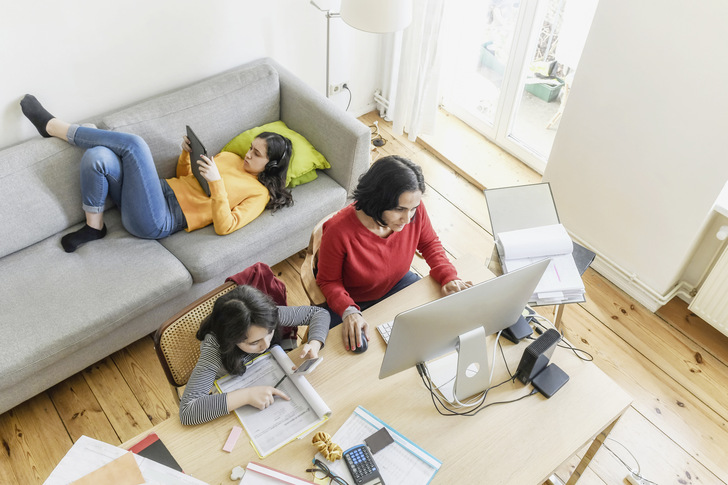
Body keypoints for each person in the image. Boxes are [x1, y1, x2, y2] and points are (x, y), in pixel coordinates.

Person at [20, 94, 293, 252]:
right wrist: (187, 153)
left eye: (256, 154)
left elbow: (226, 227)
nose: (248, 154)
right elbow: (185, 176)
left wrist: (217, 184)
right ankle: (94, 227)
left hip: (160, 218)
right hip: (156, 192)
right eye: (251, 148)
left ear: (270, 166)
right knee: (97, 156)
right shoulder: (232, 157)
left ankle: (54, 127)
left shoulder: (258, 194)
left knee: (135, 145)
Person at [316, 155, 472, 352]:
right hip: (354, 300)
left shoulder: (414, 211)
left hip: (398, 283)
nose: (407, 219)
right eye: (399, 209)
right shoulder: (338, 231)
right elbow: (328, 281)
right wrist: (348, 310)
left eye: (413, 209)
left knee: (435, 332)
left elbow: (429, 243)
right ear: (377, 199)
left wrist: (449, 276)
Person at [178, 285, 330, 426]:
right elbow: (187, 411)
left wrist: (315, 343)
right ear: (230, 340)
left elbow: (318, 313)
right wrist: (247, 395)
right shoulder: (214, 348)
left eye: (269, 333)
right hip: (234, 390)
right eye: (254, 342)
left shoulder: (264, 318)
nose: (265, 345)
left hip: (270, 374)